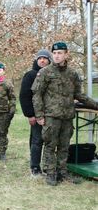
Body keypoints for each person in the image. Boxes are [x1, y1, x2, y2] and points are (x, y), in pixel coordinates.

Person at [32, 41, 98, 186]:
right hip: (51, 116)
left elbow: (79, 95)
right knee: (50, 145)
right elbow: (37, 95)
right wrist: (39, 115)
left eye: (60, 53)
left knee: (64, 146)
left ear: (66, 54)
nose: (56, 56)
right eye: (54, 53)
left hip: (67, 116)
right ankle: (50, 173)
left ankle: (62, 172)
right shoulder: (45, 72)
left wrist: (95, 104)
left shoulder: (72, 74)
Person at [19, 49, 52, 176]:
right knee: (37, 140)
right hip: (37, 114)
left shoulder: (52, 74)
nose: (42, 60)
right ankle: (35, 167)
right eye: (40, 58)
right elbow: (24, 96)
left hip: (52, 114)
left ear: (49, 60)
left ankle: (49, 167)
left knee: (50, 142)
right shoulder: (30, 75)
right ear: (36, 60)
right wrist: (30, 115)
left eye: (45, 58)